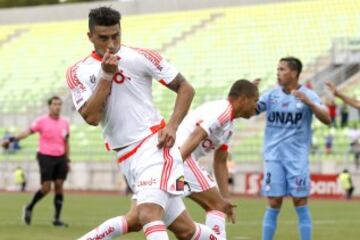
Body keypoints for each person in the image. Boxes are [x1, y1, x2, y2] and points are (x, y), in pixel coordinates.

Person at [68, 7, 221, 240]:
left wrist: (172, 126)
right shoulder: (78, 72)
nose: (111, 43)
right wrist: (105, 76)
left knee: (148, 214)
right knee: (185, 230)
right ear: (90, 37)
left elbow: (186, 88)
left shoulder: (141, 57)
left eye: (115, 35)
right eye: (103, 38)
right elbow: (91, 117)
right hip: (127, 157)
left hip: (155, 148)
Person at [79, 79, 259, 240]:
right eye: (255, 100)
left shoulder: (229, 127)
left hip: (170, 161)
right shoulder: (222, 110)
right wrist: (172, 165)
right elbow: (197, 135)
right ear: (243, 99)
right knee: (217, 206)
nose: (256, 106)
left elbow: (220, 161)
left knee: (138, 220)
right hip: (178, 157)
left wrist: (225, 195)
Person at [257, 57, 331, 240]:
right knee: (273, 201)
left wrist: (310, 103)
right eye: (278, 69)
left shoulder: (308, 95)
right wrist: (251, 94)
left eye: (282, 69)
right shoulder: (271, 95)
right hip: (273, 157)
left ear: (294, 73)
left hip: (297, 159)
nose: (278, 73)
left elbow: (327, 119)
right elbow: (250, 111)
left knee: (300, 202)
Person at [1, 96, 70, 227]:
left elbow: (66, 142)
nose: (57, 107)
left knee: (59, 185)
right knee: (46, 188)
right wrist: (11, 140)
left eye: (59, 104)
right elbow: (27, 132)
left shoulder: (65, 123)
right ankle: (29, 207)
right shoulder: (41, 121)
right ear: (49, 106)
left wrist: (68, 160)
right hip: (45, 156)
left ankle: (56, 219)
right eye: (55, 104)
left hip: (61, 157)